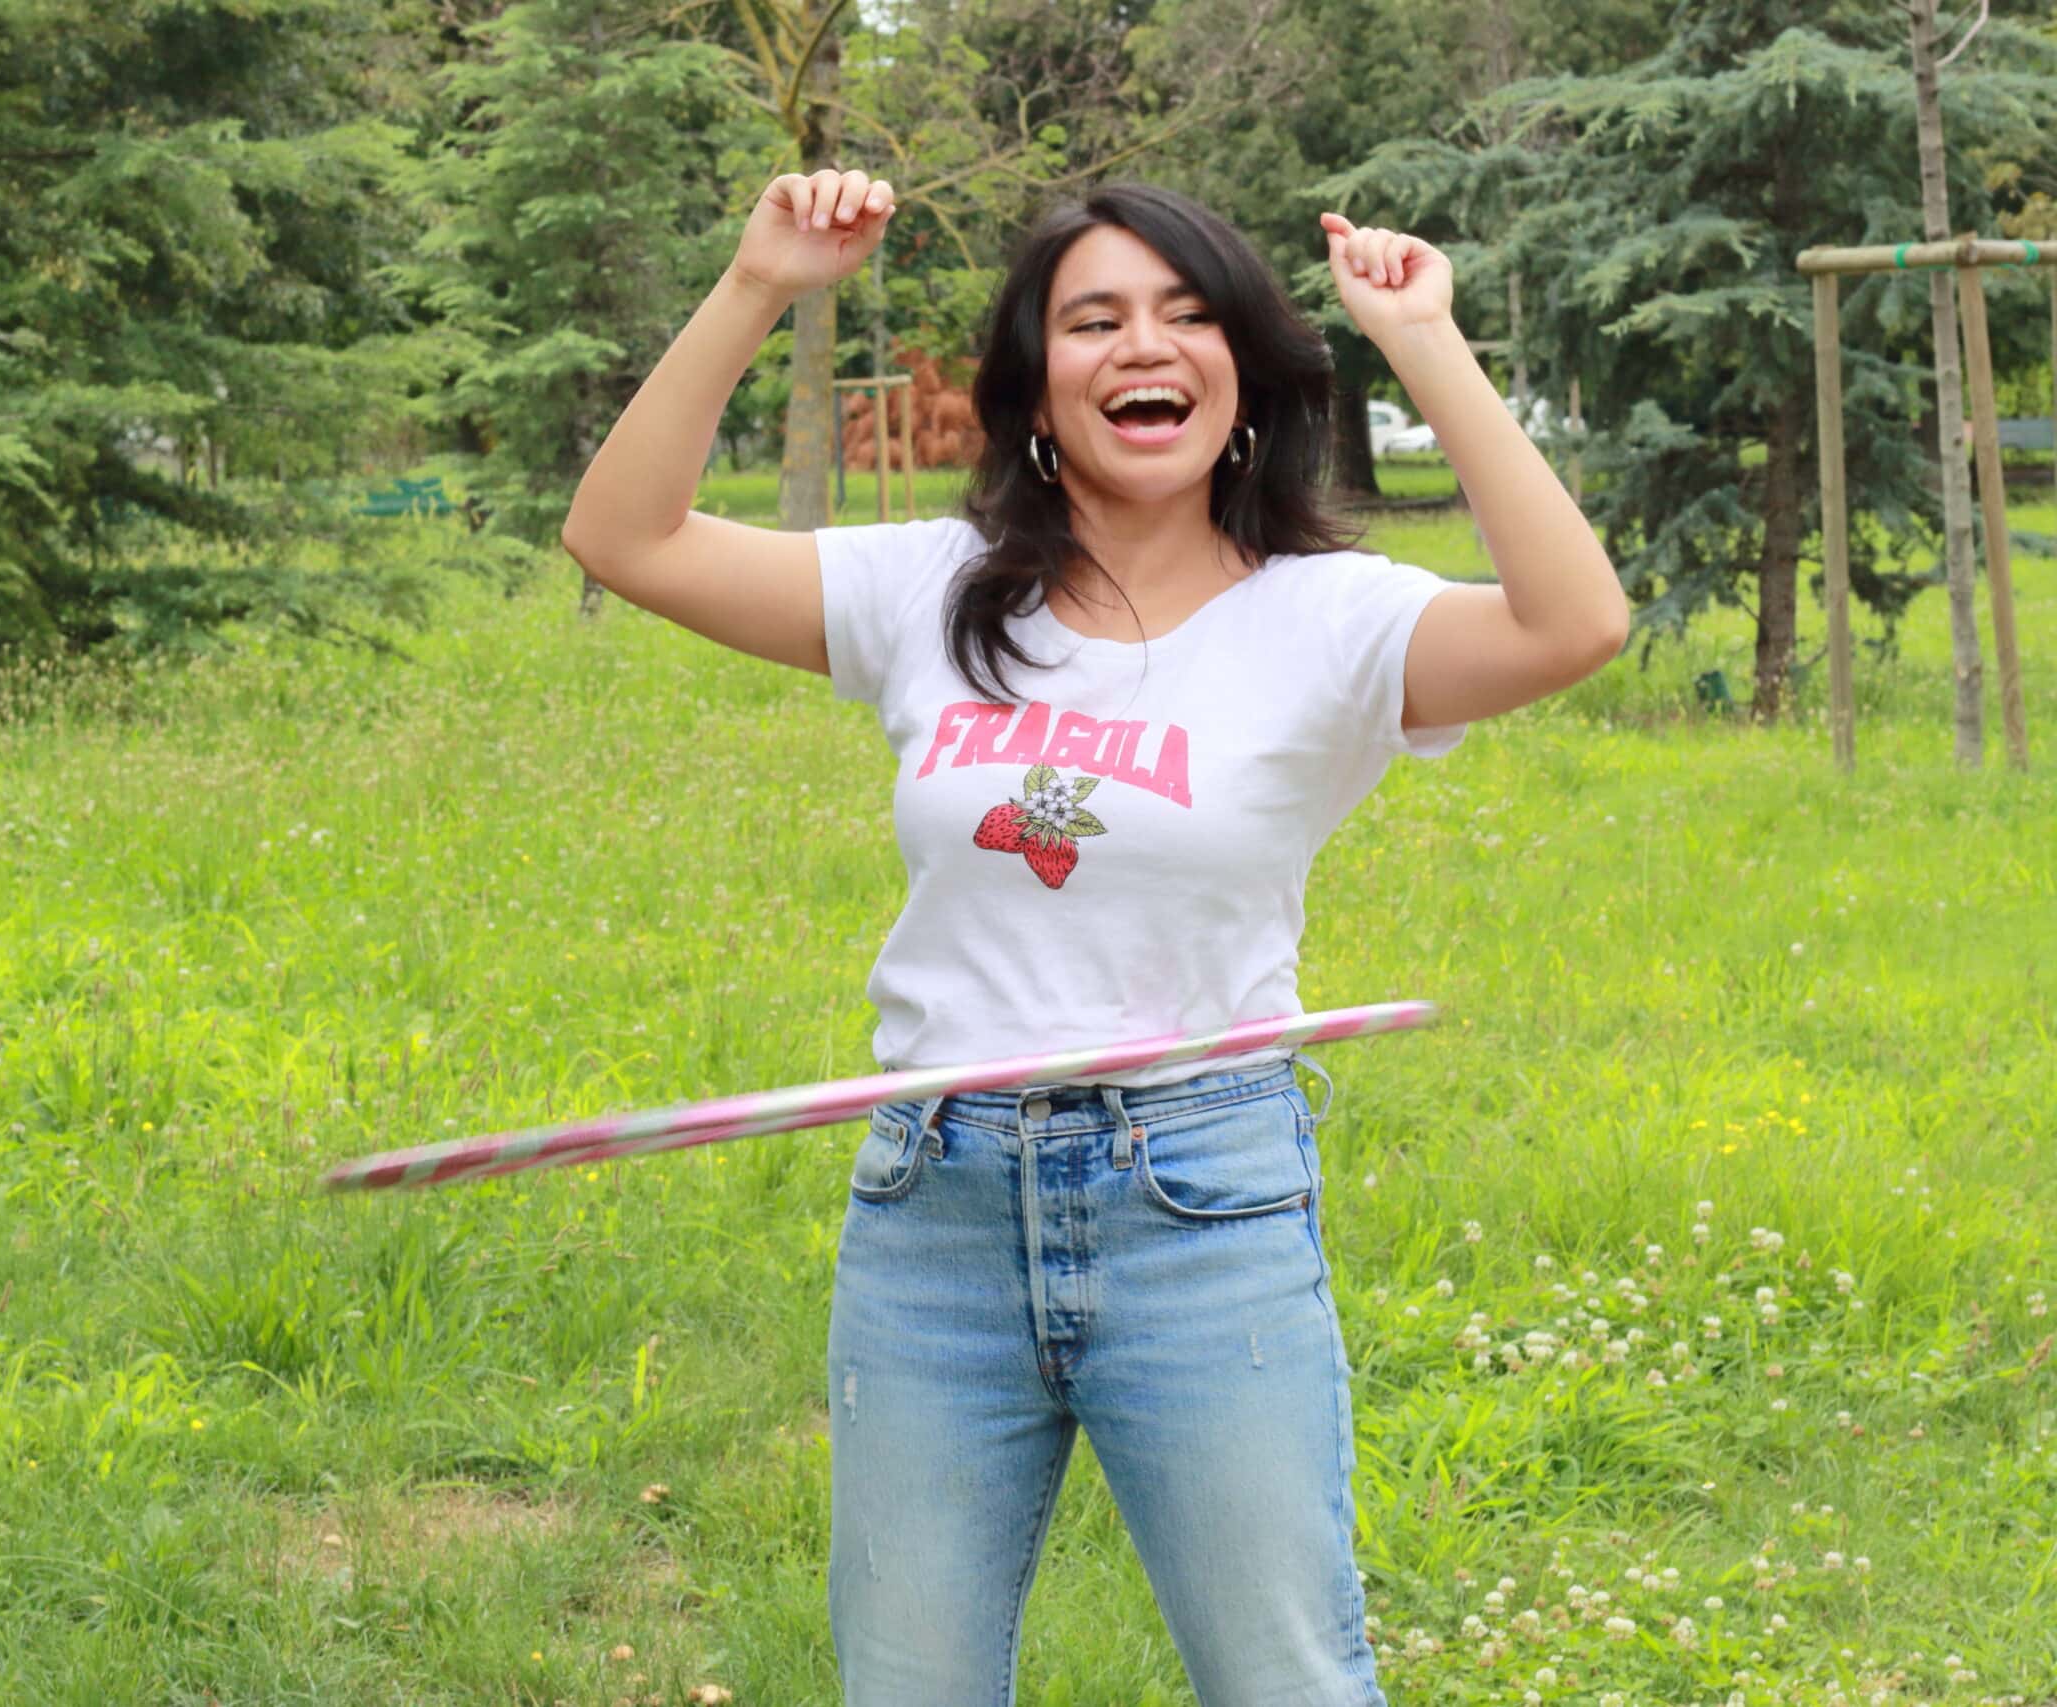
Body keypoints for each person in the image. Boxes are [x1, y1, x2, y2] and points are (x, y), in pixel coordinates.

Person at [562, 167, 1626, 1706]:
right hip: (934, 1204)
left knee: (1290, 1683)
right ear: (1037, 390)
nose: (1147, 347)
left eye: (1190, 316)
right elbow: (623, 535)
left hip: (1198, 1204)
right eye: (1097, 320)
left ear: (1244, 375)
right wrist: (759, 284)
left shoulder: (1334, 619)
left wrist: (1426, 338)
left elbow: (1574, 624)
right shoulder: (927, 590)